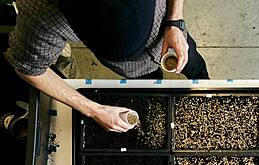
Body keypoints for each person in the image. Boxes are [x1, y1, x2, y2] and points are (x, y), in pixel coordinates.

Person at [4, 0, 209, 133]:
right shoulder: (40, 10)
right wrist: (95, 110)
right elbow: (28, 69)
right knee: (146, 83)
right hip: (130, 67)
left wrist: (175, 20)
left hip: (167, 27)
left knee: (195, 66)